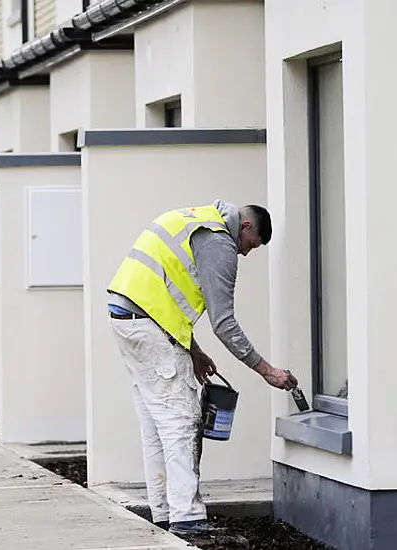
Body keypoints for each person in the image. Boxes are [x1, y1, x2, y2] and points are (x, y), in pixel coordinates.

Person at [106, 199, 298, 536]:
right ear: (246, 227)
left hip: (127, 318)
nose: (245, 254)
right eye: (250, 246)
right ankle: (188, 520)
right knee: (181, 420)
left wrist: (193, 351)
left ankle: (164, 514)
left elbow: (166, 295)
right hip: (147, 325)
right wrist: (266, 370)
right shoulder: (219, 242)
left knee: (156, 424)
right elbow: (224, 322)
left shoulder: (197, 220)